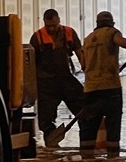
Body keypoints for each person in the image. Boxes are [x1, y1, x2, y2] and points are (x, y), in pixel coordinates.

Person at [80, 10, 126, 154]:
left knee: (89, 125)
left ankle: (87, 157)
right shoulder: (111, 33)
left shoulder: (88, 39)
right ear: (112, 23)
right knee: (113, 124)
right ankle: (113, 158)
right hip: (110, 87)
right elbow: (122, 42)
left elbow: (83, 64)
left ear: (97, 24)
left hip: (90, 89)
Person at [30, 9, 89, 145]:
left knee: (84, 109)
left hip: (66, 80)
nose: (51, 28)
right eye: (48, 26)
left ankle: (87, 143)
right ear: (44, 22)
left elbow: (80, 54)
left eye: (54, 25)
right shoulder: (37, 37)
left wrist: (88, 71)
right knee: (46, 118)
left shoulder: (69, 33)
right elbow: (31, 64)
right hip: (46, 84)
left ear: (59, 21)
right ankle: (51, 143)